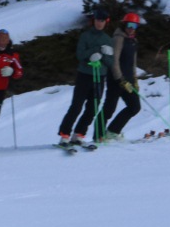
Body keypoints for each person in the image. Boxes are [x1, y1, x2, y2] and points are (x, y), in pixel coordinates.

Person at [57, 8, 114, 146]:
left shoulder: (107, 39)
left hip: (100, 76)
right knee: (76, 106)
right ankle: (65, 134)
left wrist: (106, 55)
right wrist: (95, 52)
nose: (99, 23)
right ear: (93, 21)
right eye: (97, 20)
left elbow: (110, 63)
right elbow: (80, 55)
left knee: (93, 108)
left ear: (105, 22)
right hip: (84, 75)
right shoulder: (86, 36)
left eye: (102, 21)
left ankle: (79, 134)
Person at [101, 13, 142, 141]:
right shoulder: (118, 38)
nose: (131, 28)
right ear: (124, 24)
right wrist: (120, 79)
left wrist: (135, 80)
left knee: (134, 107)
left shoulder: (133, 40)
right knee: (109, 109)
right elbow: (114, 61)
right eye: (129, 25)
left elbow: (133, 63)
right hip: (116, 80)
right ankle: (98, 135)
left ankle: (113, 131)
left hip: (128, 80)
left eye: (134, 25)